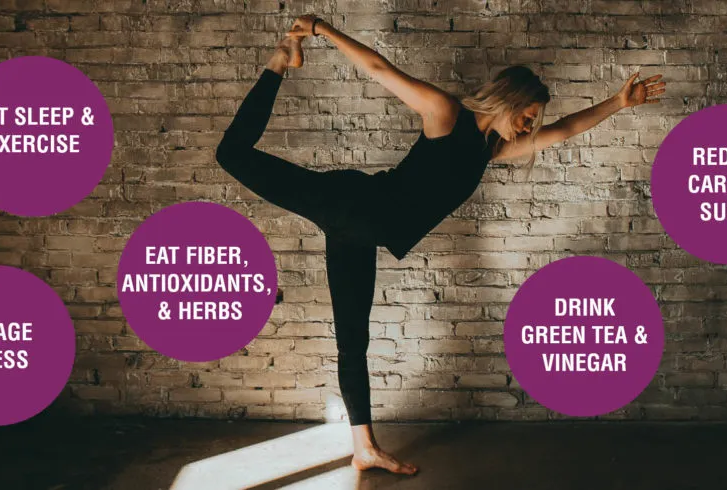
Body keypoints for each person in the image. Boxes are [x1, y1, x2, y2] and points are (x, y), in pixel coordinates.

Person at [215, 14, 666, 475]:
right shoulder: (446, 114)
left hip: (358, 232)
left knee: (353, 343)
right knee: (230, 154)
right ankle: (278, 61)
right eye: (528, 116)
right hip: (349, 203)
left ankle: (364, 448)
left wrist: (618, 102)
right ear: (510, 100)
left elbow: (564, 130)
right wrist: (322, 29)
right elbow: (379, 69)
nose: (530, 127)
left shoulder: (491, 150)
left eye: (533, 122)